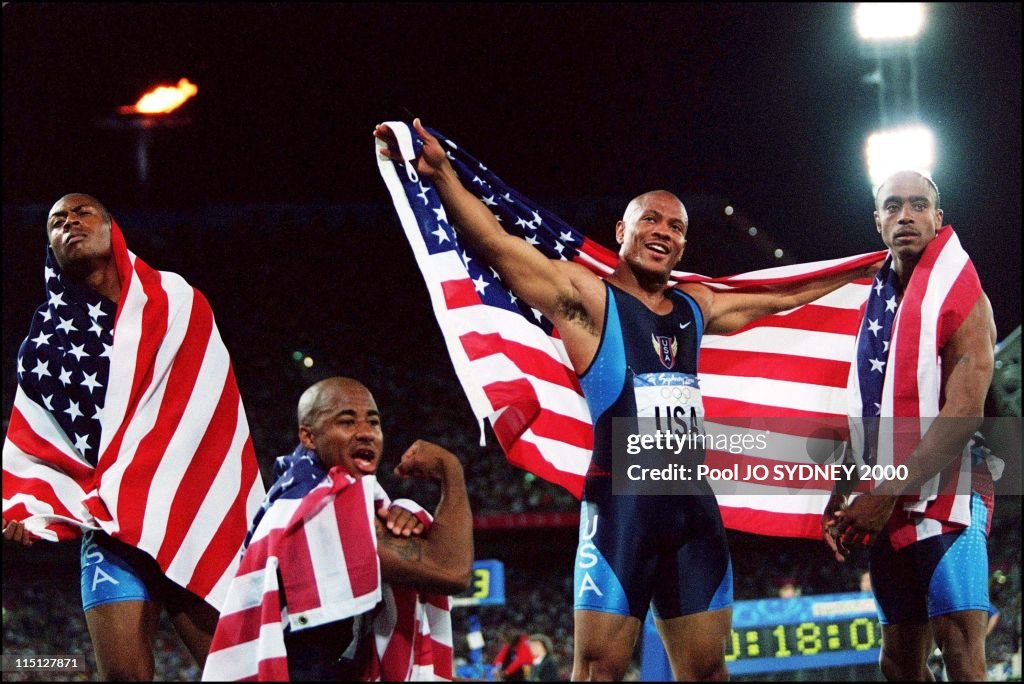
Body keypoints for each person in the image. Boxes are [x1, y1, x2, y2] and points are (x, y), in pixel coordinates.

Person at [375, 119, 880, 681]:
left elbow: (782, 297)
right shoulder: (587, 298)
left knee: (708, 671)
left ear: (684, 244)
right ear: (623, 229)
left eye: (676, 226)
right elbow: (498, 245)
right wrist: (444, 175)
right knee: (598, 671)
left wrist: (868, 271)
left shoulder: (696, 305)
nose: (663, 232)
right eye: (651, 219)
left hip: (694, 511)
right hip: (621, 510)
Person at [2, 193, 264, 680]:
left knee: (234, 672)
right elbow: (38, 443)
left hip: (191, 513)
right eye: (57, 221)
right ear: (50, 247)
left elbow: (209, 407)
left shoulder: (176, 300)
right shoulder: (42, 344)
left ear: (112, 228)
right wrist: (28, 507)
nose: (70, 222)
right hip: (110, 528)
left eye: (83, 213)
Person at [822, 171, 997, 681]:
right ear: (877, 221)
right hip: (887, 483)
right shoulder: (871, 306)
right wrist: (842, 492)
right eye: (893, 206)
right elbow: (867, 410)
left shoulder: (965, 296)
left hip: (953, 483)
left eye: (919, 205)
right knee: (898, 663)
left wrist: (882, 496)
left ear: (938, 219)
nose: (906, 216)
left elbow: (963, 414)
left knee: (960, 651)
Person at [202, 377, 474, 681]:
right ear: (309, 437)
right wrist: (450, 469)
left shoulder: (297, 493)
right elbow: (451, 572)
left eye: (373, 422)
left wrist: (404, 515)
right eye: (347, 421)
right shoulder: (320, 509)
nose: (365, 432)